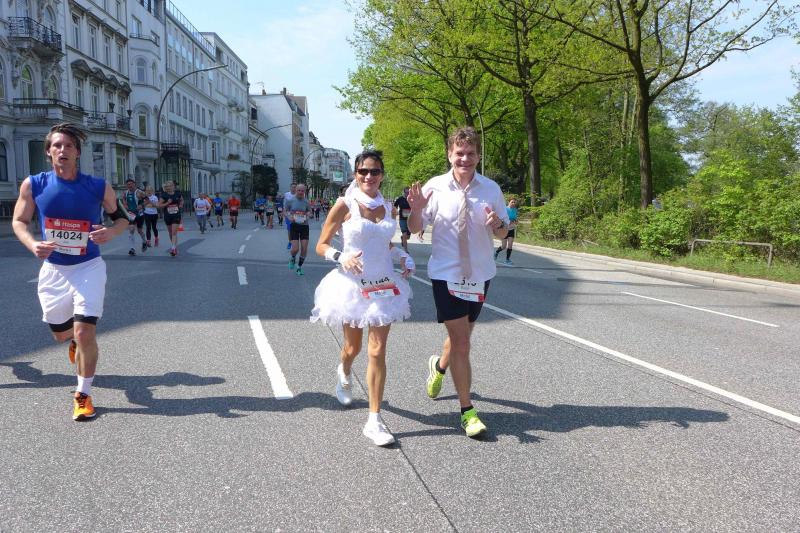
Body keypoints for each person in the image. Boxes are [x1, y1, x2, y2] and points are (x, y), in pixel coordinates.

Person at [11, 122, 129, 421]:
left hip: (89, 266)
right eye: (57, 145)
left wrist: (111, 232)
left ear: (77, 152)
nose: (62, 150)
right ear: (49, 152)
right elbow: (19, 221)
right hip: (54, 270)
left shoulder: (98, 186)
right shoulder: (33, 185)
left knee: (84, 330)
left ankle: (83, 394)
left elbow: (122, 219)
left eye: (69, 146)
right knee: (61, 334)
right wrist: (32, 244)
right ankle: (74, 341)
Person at [407, 126, 509, 438]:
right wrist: (416, 210)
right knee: (463, 343)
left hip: (479, 275)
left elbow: (504, 232)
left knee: (460, 338)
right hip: (446, 274)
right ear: (449, 154)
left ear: (478, 156)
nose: (465, 158)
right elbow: (414, 228)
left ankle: (439, 367)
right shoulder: (435, 187)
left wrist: (498, 224)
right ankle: (468, 412)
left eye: (471, 153)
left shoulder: (490, 188)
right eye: (459, 153)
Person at [311, 150, 414, 446]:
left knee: (377, 351)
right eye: (363, 171)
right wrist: (341, 256)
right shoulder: (344, 204)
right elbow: (321, 245)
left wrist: (402, 256)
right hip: (352, 286)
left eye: (375, 171)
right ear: (355, 174)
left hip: (382, 285)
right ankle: (343, 371)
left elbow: (384, 244)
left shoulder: (388, 206)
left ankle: (374, 420)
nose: (369, 176)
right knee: (352, 348)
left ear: (382, 175)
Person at [284, 184, 311, 275]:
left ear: (304, 191)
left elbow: (309, 211)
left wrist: (308, 214)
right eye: (299, 190)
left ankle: (299, 267)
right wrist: (289, 217)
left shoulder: (306, 202)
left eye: (302, 191)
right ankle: (292, 258)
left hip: (304, 226)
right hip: (294, 226)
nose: (300, 192)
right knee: (295, 249)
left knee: (304, 248)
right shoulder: (290, 201)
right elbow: (285, 211)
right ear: (296, 190)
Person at [158, 180, 183, 256]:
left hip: (176, 215)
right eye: (167, 186)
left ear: (173, 186)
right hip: (168, 216)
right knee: (170, 232)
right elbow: (159, 205)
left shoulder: (178, 193)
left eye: (170, 186)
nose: (169, 187)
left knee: (174, 232)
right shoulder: (164, 195)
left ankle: (173, 248)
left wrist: (181, 204)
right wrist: (167, 203)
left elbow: (181, 200)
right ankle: (174, 246)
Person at [123, 178, 147, 255]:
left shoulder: (140, 192)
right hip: (131, 214)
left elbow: (147, 200)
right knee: (131, 229)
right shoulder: (125, 193)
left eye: (131, 184)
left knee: (139, 230)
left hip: (139, 214)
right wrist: (125, 205)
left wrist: (141, 205)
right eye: (128, 184)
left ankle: (144, 241)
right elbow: (123, 200)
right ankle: (132, 248)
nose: (129, 186)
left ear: (134, 184)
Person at [495, 197, 519, 265]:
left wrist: (516, 221)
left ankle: (507, 259)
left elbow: (515, 218)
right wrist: (509, 221)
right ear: (509, 202)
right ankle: (496, 252)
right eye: (512, 202)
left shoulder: (515, 210)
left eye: (514, 202)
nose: (513, 203)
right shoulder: (505, 209)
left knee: (510, 245)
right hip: (504, 229)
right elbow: (501, 218)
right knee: (503, 246)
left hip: (511, 229)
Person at [394, 186, 412, 252]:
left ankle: (402, 238)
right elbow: (395, 206)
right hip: (402, 219)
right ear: (404, 192)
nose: (407, 194)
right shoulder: (400, 199)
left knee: (408, 237)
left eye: (409, 192)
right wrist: (395, 212)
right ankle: (406, 250)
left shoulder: (412, 199)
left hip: (410, 220)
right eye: (406, 192)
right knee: (404, 234)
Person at [284, 183, 297, 250]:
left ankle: (295, 242)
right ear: (290, 188)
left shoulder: (298, 195)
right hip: (288, 214)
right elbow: (284, 204)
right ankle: (290, 242)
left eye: (295, 187)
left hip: (297, 214)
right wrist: (284, 212)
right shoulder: (286, 194)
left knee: (297, 229)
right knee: (290, 229)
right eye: (292, 187)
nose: (293, 188)